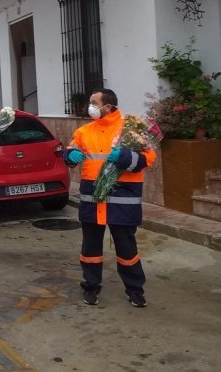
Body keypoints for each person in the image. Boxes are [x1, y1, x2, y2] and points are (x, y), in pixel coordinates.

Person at [65, 88, 156, 308]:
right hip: (92, 197)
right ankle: (91, 287)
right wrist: (69, 155)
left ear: (109, 106)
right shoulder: (84, 131)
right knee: (90, 249)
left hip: (122, 198)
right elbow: (70, 150)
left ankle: (135, 290)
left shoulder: (132, 129)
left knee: (127, 248)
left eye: (94, 102)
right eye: (90, 102)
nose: (90, 107)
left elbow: (149, 157)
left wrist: (124, 156)